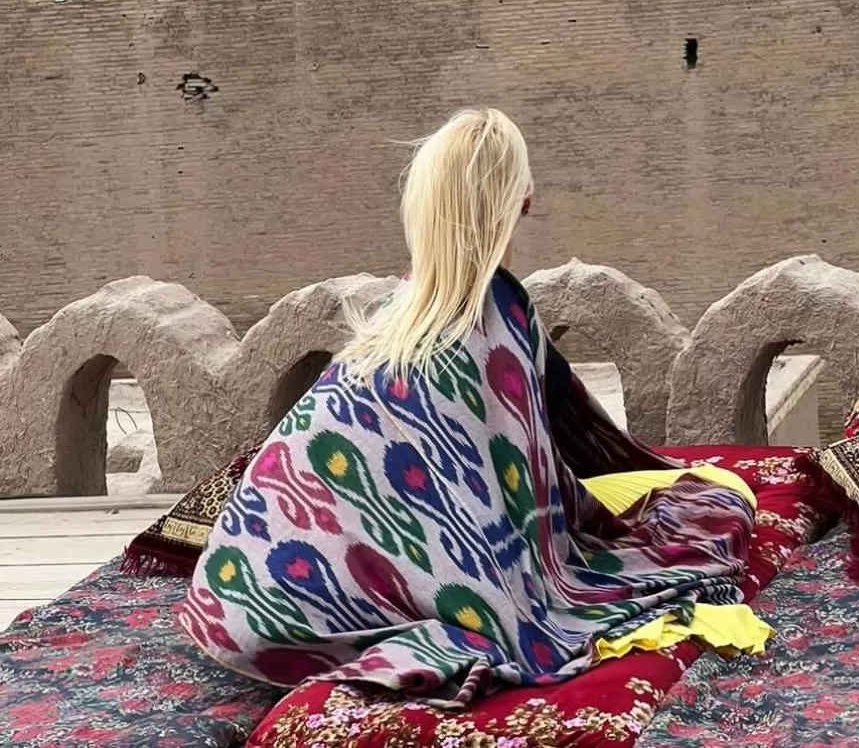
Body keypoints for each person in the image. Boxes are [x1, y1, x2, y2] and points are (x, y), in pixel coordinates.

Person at [180, 108, 763, 705]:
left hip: (234, 607)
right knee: (717, 500)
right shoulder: (499, 316)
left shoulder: (396, 315)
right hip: (314, 621)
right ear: (522, 200)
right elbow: (543, 465)